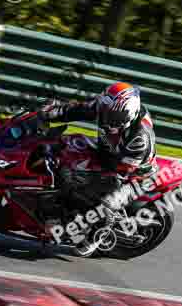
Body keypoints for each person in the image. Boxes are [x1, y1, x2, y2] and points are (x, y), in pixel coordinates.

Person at [36, 81, 158, 248]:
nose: (106, 118)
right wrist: (51, 112)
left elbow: (122, 171)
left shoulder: (139, 138)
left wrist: (82, 175)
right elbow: (78, 110)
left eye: (113, 116)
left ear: (127, 115)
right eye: (106, 112)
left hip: (134, 175)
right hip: (109, 152)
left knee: (105, 199)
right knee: (66, 148)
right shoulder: (105, 107)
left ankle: (95, 237)